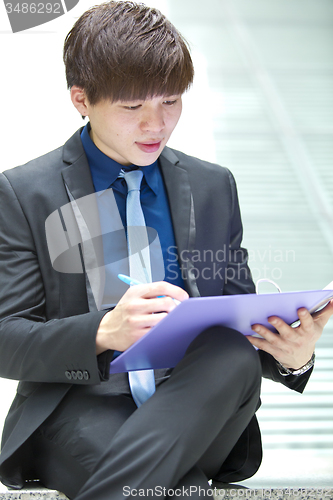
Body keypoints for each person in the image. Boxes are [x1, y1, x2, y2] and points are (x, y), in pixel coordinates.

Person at [0, 2, 332, 499]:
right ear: (81, 99)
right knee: (180, 491)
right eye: (133, 108)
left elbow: (240, 320)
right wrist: (104, 330)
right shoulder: (27, 193)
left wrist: (294, 356)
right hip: (82, 406)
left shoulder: (212, 185)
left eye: (171, 102)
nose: (156, 124)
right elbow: (7, 338)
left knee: (229, 352)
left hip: (199, 406)